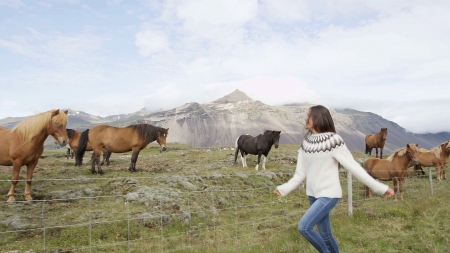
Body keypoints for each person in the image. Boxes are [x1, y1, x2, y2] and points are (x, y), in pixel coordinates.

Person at [274, 105, 394, 253]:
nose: (305, 118)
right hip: (313, 195)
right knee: (325, 235)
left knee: (304, 227)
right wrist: (284, 188)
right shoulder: (306, 142)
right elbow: (300, 173)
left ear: (318, 118)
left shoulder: (334, 140)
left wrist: (379, 188)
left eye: (309, 115)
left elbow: (353, 166)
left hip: (329, 194)